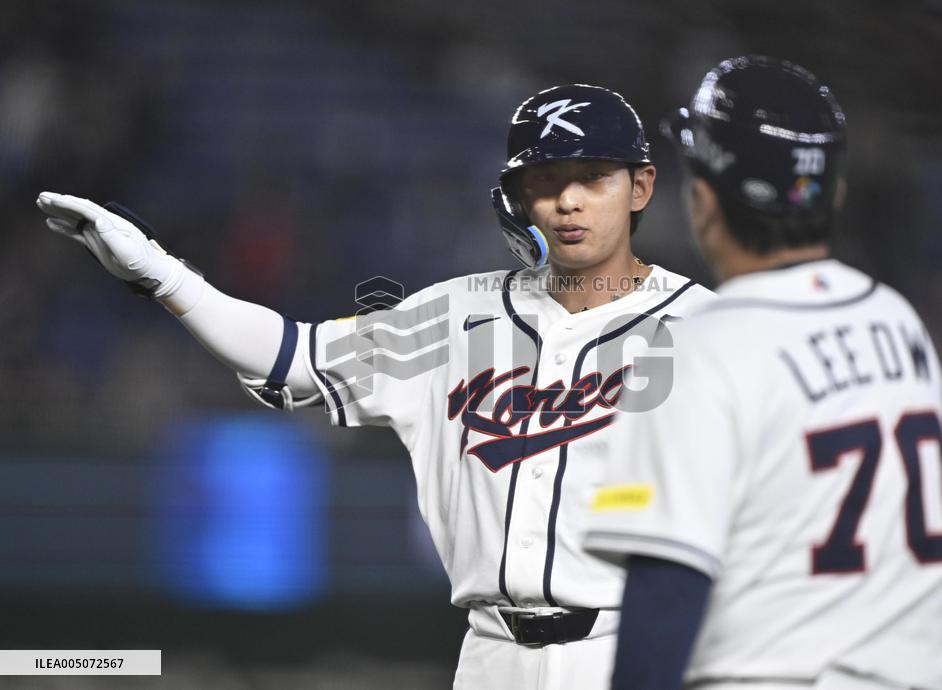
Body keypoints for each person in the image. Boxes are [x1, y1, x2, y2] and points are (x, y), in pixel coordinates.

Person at [36, 84, 715, 690]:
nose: (567, 200)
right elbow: (291, 356)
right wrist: (163, 276)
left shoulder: (709, 330)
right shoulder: (453, 315)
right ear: (516, 198)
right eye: (544, 180)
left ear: (641, 187)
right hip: (490, 658)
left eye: (592, 177)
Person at [583, 56, 942, 690]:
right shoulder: (897, 321)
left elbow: (662, 602)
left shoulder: (688, 353)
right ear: (835, 193)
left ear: (703, 200)